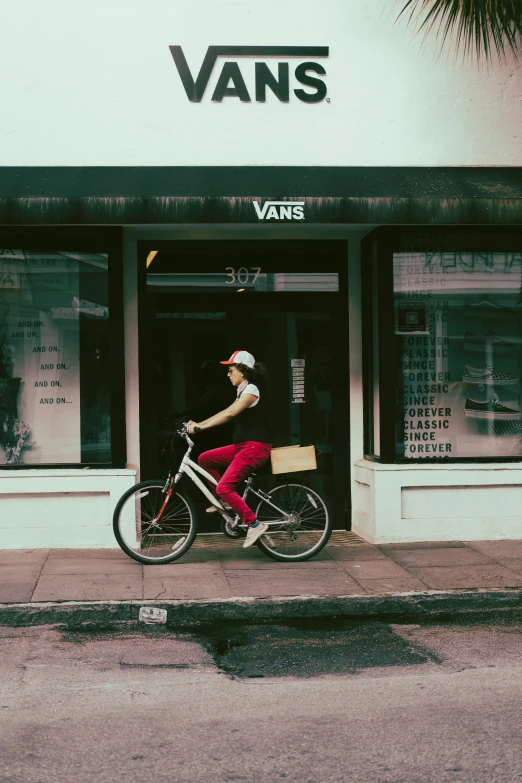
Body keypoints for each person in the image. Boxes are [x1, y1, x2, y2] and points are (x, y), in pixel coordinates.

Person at [186, 350, 272, 548]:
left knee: (224, 487)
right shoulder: (243, 389)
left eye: (231, 370)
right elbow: (225, 411)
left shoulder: (252, 390)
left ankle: (254, 524)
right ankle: (223, 502)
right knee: (205, 459)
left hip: (254, 447)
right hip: (242, 446)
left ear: (243, 370)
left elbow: (230, 414)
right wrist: (199, 423)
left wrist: (200, 428)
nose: (228, 374)